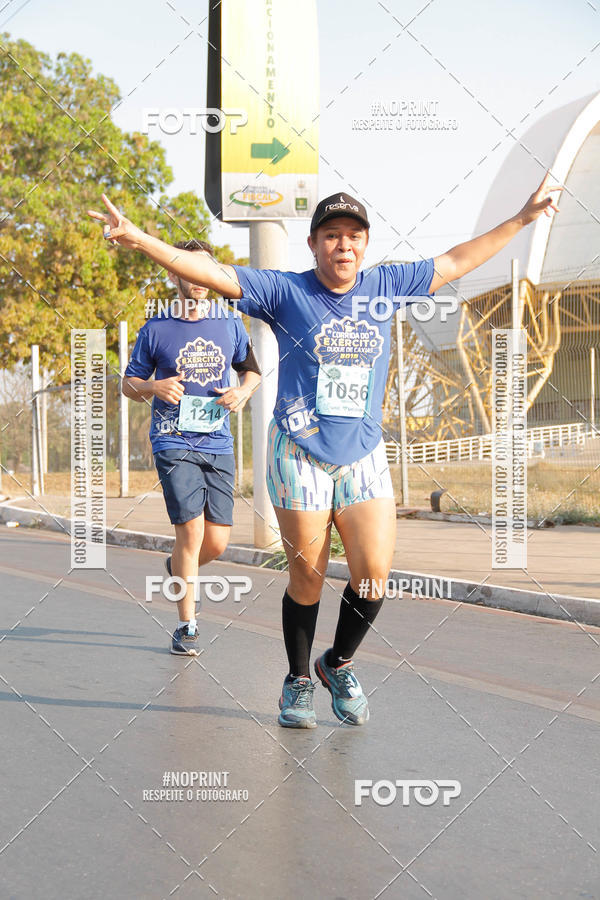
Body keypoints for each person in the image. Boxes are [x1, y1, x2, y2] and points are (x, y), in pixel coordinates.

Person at [89, 174, 560, 724]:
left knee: (372, 575)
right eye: (332, 235)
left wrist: (522, 221)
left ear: (365, 245)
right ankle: (295, 680)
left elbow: (456, 261)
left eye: (354, 235)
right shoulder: (287, 291)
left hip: (361, 454)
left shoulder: (385, 284)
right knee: (308, 575)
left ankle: (337, 662)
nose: (344, 245)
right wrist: (142, 239)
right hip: (299, 452)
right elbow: (213, 273)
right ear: (313, 244)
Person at [121, 239, 261, 656]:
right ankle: (187, 626)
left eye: (205, 271)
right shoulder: (157, 328)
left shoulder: (230, 323)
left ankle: (178, 568)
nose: (199, 281)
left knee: (215, 543)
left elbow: (251, 372)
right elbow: (127, 384)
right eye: (189, 270)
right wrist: (153, 386)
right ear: (174, 273)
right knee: (191, 531)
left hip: (218, 440)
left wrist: (243, 392)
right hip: (171, 440)